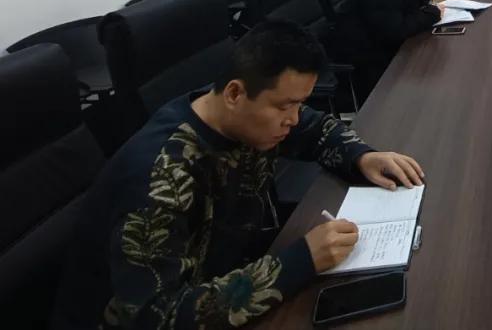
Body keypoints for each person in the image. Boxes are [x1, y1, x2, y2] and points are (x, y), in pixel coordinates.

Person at [53, 21, 424, 330]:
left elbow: (312, 129)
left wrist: (362, 156)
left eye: (299, 103)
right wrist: (299, 262)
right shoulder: (161, 178)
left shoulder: (240, 114)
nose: (293, 119)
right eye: (286, 106)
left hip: (226, 271)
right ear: (234, 93)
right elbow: (157, 316)